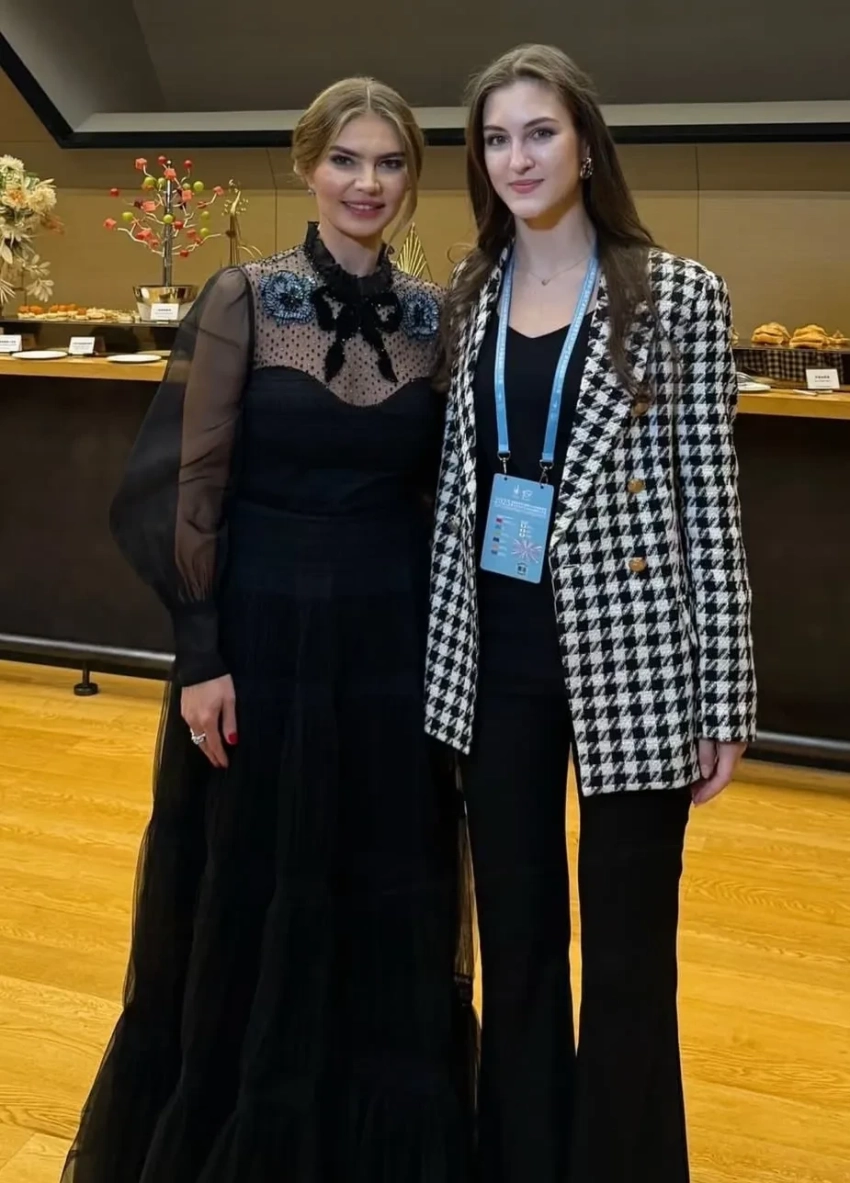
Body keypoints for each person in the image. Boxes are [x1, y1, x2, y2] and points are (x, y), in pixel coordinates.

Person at [63, 77, 475, 1183]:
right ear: (307, 167)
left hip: (389, 647)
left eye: (390, 162)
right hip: (262, 640)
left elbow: (447, 493)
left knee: (382, 880)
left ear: (412, 178)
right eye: (347, 159)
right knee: (257, 880)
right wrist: (201, 654)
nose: (367, 183)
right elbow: (184, 483)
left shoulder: (438, 315)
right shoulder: (244, 296)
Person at [424, 44, 757, 1183]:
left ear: (585, 146)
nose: (517, 158)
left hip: (637, 656)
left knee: (626, 955)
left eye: (539, 132)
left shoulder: (678, 295)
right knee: (518, 941)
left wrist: (724, 696)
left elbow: (711, 503)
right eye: (496, 138)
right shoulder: (464, 296)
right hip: (496, 654)